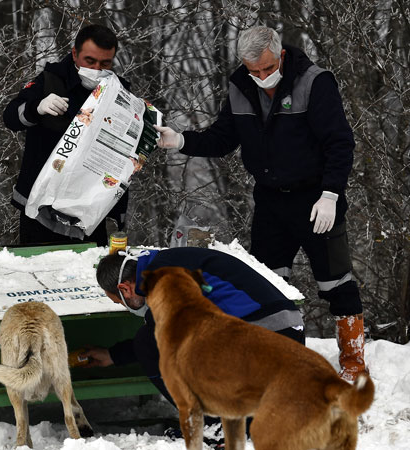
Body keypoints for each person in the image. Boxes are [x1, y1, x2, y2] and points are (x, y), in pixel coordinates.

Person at [154, 26, 367, 381]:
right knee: (268, 285)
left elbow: (340, 143)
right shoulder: (240, 87)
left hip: (316, 197)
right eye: (254, 71)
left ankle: (354, 363)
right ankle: (279, 362)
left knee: (335, 282)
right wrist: (181, 141)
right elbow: (222, 139)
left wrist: (331, 194)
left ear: (279, 55)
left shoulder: (314, 82)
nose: (262, 77)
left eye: (268, 69)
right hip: (270, 201)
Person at [83, 247, 305, 448]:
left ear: (125, 288)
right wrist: (113, 355)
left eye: (120, 301)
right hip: (284, 332)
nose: (124, 306)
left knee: (149, 343)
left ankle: (214, 426)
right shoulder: (162, 263)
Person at [3, 24, 130, 247]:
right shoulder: (49, 80)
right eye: (90, 61)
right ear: (74, 53)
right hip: (40, 206)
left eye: (105, 63)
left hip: (91, 208)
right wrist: (37, 107)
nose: (97, 68)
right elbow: (11, 117)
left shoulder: (120, 92)